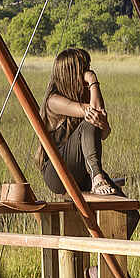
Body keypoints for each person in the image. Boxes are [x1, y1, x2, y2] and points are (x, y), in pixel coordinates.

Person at [39, 47, 124, 197]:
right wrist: (93, 80)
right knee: (89, 121)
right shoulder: (53, 101)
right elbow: (94, 113)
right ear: (72, 74)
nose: (88, 71)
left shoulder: (82, 98)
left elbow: (104, 134)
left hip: (81, 170)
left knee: (125, 206)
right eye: (85, 69)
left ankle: (96, 177)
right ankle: (97, 178)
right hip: (56, 172)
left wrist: (104, 125)